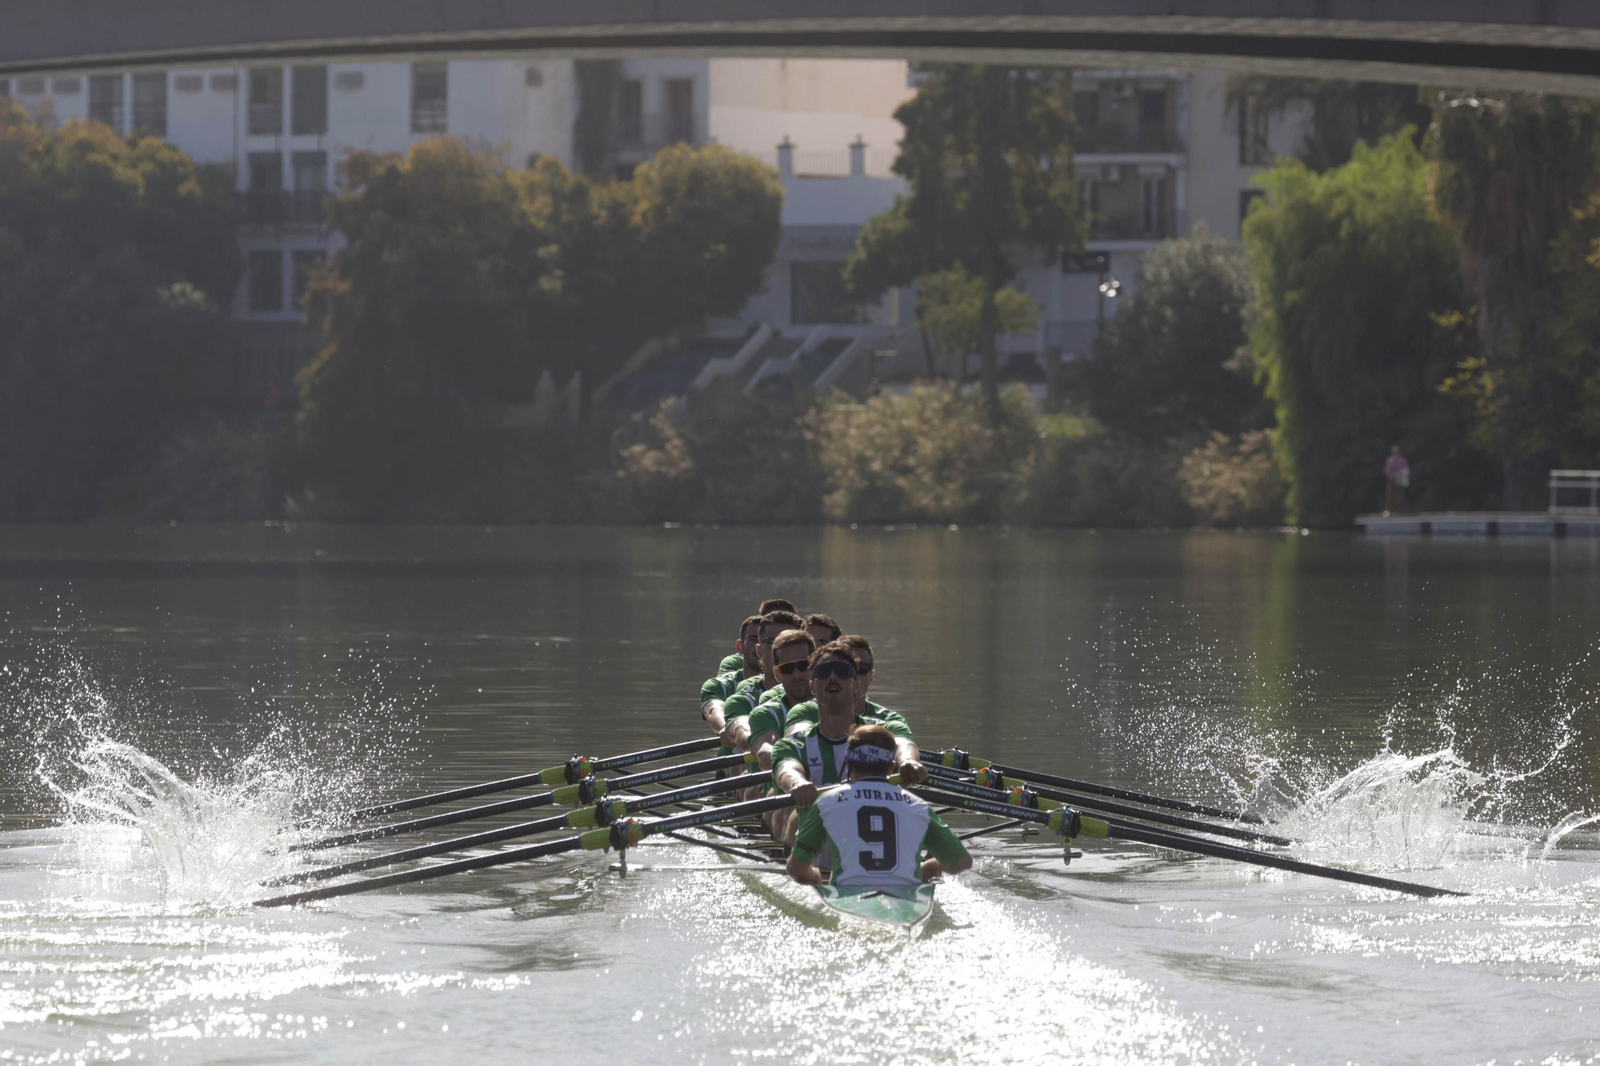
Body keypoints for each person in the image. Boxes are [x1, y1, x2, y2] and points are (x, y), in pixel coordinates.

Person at [768, 642, 926, 844]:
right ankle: (800, 870)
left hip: (874, 838)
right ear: (812, 687)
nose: (833, 677)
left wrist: (907, 762)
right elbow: (786, 768)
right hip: (816, 846)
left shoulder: (884, 731)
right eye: (824, 672)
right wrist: (797, 783)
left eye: (842, 672)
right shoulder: (792, 744)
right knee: (796, 818)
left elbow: (903, 744)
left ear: (856, 686)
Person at [785, 724, 971, 888]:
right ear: (891, 768)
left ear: (849, 764)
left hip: (848, 900)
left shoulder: (826, 802)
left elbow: (796, 870)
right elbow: (962, 862)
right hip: (906, 904)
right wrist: (932, 866)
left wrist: (815, 877)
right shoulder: (919, 806)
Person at [720, 611, 807, 746]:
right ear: (759, 651)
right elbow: (741, 729)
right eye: (774, 642)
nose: (783, 650)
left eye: (792, 642)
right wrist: (758, 740)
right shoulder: (742, 701)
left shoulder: (825, 700)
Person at [727, 627, 816, 756]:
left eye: (803, 666)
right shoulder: (765, 714)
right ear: (777, 674)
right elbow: (766, 750)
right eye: (787, 669)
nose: (797, 675)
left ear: (815, 666)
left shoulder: (835, 706)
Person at [700, 615, 762, 738]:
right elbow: (714, 708)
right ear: (740, 647)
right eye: (753, 639)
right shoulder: (719, 685)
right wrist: (725, 727)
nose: (758, 646)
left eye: (764, 641)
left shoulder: (788, 687)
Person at [1384, 445, 1410, 515]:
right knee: (1390, 495)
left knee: (1399, 495)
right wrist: (1391, 476)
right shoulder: (1390, 460)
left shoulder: (1402, 460)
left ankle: (1398, 510)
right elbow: (1387, 470)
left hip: (1400, 480)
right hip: (1392, 480)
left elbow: (1405, 469)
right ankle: (1389, 510)